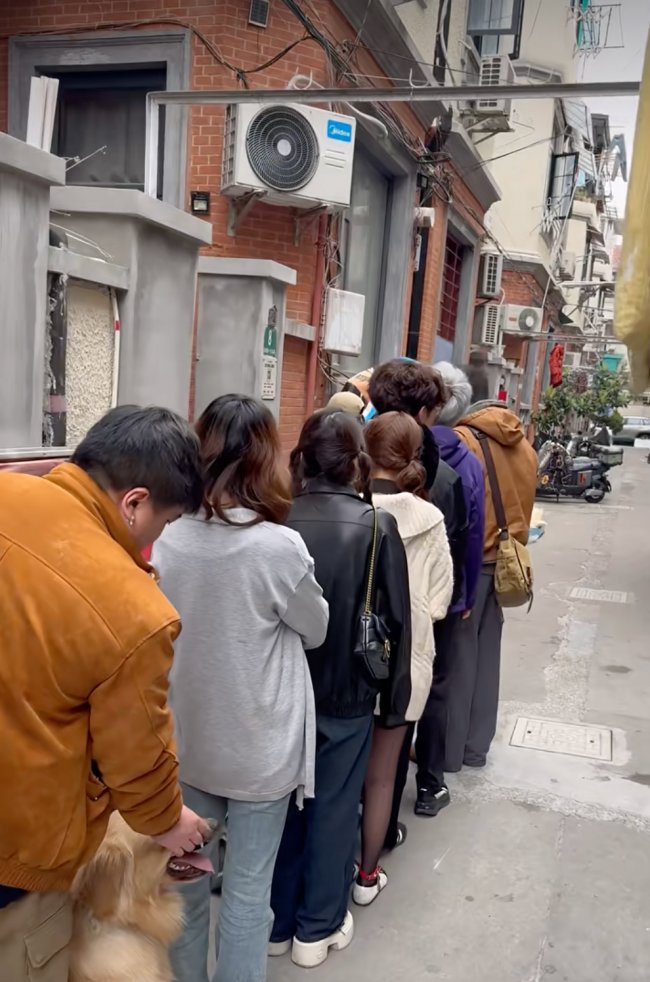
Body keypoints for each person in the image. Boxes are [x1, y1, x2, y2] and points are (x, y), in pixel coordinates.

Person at [0, 406, 210, 982]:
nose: (156, 539)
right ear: (134, 502)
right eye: (164, 522)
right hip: (17, 849)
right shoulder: (133, 610)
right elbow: (137, 755)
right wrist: (167, 820)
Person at [152, 395, 329, 982]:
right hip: (260, 749)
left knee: (185, 888)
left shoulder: (169, 538)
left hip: (190, 742)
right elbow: (316, 628)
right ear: (265, 459)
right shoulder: (278, 547)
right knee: (249, 897)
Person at [270, 410, 411, 969]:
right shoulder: (377, 525)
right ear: (357, 463)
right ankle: (318, 927)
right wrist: (395, 705)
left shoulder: (277, 518)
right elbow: (396, 623)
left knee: (282, 807)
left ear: (302, 458)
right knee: (333, 807)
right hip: (349, 691)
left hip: (283, 691)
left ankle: (278, 923)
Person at [354, 412, 453, 904]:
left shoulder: (352, 505)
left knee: (339, 772)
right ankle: (367, 876)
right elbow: (440, 601)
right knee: (383, 775)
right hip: (405, 658)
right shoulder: (428, 518)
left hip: (349, 653)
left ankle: (324, 872)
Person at [414, 363, 486, 815]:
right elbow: (474, 532)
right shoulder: (466, 462)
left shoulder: (387, 450)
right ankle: (429, 784)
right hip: (444, 594)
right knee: (436, 685)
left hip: (388, 590)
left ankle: (376, 785)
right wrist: (466, 595)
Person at [454, 392, 538, 765]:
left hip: (472, 563)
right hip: (505, 564)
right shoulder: (526, 450)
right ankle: (476, 748)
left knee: (459, 659)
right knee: (488, 658)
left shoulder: (464, 440)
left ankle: (448, 751)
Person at [367, 359, 468, 606]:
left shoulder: (345, 462)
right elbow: (447, 579)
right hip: (414, 617)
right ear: (423, 413)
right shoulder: (444, 479)